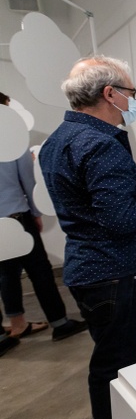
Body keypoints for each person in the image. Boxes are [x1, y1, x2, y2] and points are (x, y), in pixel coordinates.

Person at [39, 56, 136, 419]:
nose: (133, 101)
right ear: (110, 94)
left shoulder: (58, 140)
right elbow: (122, 220)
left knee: (110, 357)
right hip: (116, 272)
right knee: (117, 363)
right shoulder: (100, 143)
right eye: (131, 93)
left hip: (90, 268)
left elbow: (96, 207)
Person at [0, 91, 88, 344]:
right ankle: (60, 322)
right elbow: (28, 182)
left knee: (6, 274)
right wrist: (37, 213)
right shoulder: (11, 138)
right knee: (39, 271)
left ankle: (15, 325)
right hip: (16, 216)